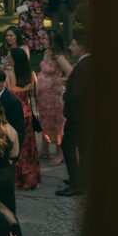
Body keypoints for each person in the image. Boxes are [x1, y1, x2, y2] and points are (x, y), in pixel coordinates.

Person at [56, 28, 91, 197]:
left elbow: (76, 94)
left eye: (73, 44)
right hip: (87, 115)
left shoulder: (82, 67)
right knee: (83, 147)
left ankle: (76, 184)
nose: (70, 47)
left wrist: (63, 93)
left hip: (78, 115)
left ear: (82, 47)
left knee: (68, 146)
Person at [6, 48, 41, 191]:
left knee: (13, 147)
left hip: (12, 116)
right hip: (26, 115)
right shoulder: (31, 75)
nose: (7, 59)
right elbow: (34, 98)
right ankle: (29, 179)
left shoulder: (7, 76)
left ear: (15, 60)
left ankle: (14, 178)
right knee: (28, 148)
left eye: (9, 58)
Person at [37, 30, 72, 164]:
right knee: (45, 121)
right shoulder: (47, 53)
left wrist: (61, 81)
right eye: (43, 39)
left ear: (53, 42)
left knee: (56, 125)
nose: (43, 41)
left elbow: (71, 73)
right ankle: (44, 149)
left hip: (53, 98)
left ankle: (59, 153)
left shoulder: (59, 57)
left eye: (46, 39)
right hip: (43, 97)